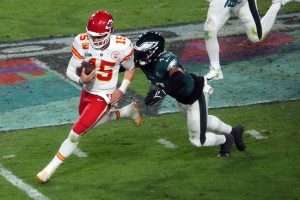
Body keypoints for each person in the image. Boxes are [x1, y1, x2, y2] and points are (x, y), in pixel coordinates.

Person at [37, 10, 142, 183]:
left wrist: (122, 89)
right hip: (87, 92)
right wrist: (81, 80)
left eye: (98, 36)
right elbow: (70, 70)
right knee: (87, 124)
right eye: (91, 35)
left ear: (109, 32)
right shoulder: (82, 41)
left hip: (105, 96)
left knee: (76, 133)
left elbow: (131, 68)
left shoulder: (122, 45)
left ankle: (49, 170)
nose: (94, 39)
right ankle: (126, 112)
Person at [134, 31, 246, 157]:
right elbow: (122, 65)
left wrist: (162, 92)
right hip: (182, 98)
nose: (139, 55)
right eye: (139, 52)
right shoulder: (145, 61)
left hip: (196, 95)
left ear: (154, 52)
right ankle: (233, 131)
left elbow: (178, 79)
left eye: (143, 53)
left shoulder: (167, 59)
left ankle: (226, 139)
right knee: (203, 121)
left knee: (198, 141)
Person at [204, 0, 299, 80]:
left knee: (256, 36)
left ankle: (279, 3)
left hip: (244, 2)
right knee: (209, 29)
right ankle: (215, 69)